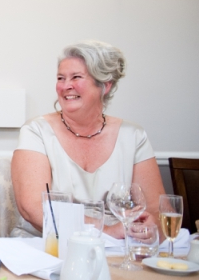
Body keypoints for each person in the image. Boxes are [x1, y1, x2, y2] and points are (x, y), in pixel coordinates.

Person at [11, 40, 165, 238]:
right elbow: (32, 207)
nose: (66, 86)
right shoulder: (36, 131)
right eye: (60, 78)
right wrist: (105, 231)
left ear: (105, 85)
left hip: (118, 246)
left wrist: (151, 227)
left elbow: (157, 209)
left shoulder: (134, 136)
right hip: (49, 243)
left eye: (76, 77)